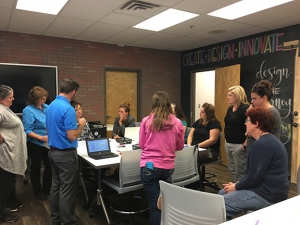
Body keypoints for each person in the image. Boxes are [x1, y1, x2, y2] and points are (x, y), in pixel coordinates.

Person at [219, 107, 289, 218]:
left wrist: (236, 187)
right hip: (270, 191)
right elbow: (253, 175)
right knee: (223, 192)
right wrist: (236, 185)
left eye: (247, 120)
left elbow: (253, 177)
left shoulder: (261, 144)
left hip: (268, 195)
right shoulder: (269, 140)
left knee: (219, 203)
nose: (245, 123)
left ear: (256, 124)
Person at [139, 91, 184, 225]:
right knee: (165, 203)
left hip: (149, 167)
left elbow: (142, 144)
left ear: (153, 104)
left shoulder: (146, 121)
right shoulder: (177, 122)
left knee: (155, 207)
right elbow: (180, 146)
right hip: (167, 167)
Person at [46, 78, 86, 225]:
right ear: (73, 92)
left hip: (52, 152)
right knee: (67, 191)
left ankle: (56, 220)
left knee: (56, 187)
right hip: (66, 155)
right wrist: (80, 125)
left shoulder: (50, 106)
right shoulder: (68, 108)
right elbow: (72, 135)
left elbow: (49, 129)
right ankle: (68, 222)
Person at [0, 85, 27, 223]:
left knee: (10, 180)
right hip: (5, 154)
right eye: (11, 97)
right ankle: (2, 214)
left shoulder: (5, 109)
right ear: (1, 99)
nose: (13, 99)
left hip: (11, 152)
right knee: (3, 184)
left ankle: (12, 202)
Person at [22, 86, 51, 201]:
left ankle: (47, 188)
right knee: (36, 167)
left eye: (45, 98)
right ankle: (37, 190)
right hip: (35, 143)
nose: (44, 100)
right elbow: (27, 130)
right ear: (35, 99)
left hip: (47, 142)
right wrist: (40, 137)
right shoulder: (28, 110)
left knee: (49, 165)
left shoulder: (46, 107)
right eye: (42, 99)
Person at [246, 80, 281, 157]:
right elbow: (249, 131)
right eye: (252, 98)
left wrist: (250, 114)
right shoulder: (260, 112)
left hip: (263, 153)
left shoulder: (270, 113)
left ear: (264, 98)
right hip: (255, 151)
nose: (252, 101)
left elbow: (253, 132)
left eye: (254, 98)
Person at [224, 86, 250, 182]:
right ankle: (234, 188)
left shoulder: (245, 108)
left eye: (230, 95)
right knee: (232, 170)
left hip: (239, 145)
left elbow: (250, 128)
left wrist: (244, 145)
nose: (227, 97)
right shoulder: (230, 108)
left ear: (237, 96)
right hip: (228, 143)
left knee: (240, 171)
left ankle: (240, 191)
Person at [187, 102, 222, 166]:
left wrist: (197, 146)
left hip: (210, 151)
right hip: (195, 147)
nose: (200, 113)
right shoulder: (198, 122)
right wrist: (189, 145)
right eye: (200, 111)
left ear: (208, 114)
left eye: (202, 112)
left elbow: (212, 140)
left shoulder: (214, 124)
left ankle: (197, 175)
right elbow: (190, 135)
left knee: (194, 157)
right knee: (184, 153)